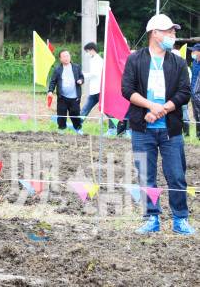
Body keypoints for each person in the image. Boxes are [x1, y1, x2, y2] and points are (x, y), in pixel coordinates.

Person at [121, 13, 193, 235]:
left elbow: (184, 93)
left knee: (176, 175)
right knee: (146, 175)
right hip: (142, 130)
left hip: (170, 129)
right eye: (169, 31)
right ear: (155, 33)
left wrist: (161, 109)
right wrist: (150, 106)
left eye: (174, 31)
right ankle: (152, 217)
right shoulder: (135, 59)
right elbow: (127, 89)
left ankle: (180, 218)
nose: (173, 35)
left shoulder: (179, 62)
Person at [79, 42, 116, 134]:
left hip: (99, 90)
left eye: (87, 51)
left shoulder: (98, 60)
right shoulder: (93, 59)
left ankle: (114, 128)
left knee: (107, 110)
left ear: (91, 50)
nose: (87, 53)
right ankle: (77, 124)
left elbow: (95, 74)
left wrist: (83, 74)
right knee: (85, 108)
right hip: (94, 90)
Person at [47, 50, 85, 134]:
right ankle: (61, 129)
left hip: (74, 97)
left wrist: (81, 81)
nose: (66, 58)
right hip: (62, 97)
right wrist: (50, 91)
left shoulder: (76, 67)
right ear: (60, 59)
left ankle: (78, 129)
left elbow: (82, 77)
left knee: (75, 114)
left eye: (67, 56)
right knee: (61, 114)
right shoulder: (57, 69)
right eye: (64, 56)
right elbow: (53, 81)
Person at [190, 44, 200, 140]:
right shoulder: (194, 62)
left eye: (194, 51)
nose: (192, 53)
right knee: (195, 114)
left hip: (199, 93)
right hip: (193, 93)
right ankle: (198, 134)